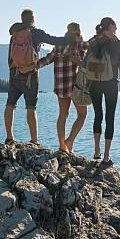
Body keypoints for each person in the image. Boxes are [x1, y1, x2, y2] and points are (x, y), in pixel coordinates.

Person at [5, 9, 68, 145]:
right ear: (33, 18)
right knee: (31, 107)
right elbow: (53, 40)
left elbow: (10, 56)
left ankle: (9, 138)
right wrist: (70, 38)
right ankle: (34, 141)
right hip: (31, 74)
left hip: (15, 73)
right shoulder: (36, 33)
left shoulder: (14, 34)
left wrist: (15, 70)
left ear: (22, 19)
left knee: (10, 105)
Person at [37, 22, 88, 153]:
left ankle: (62, 146)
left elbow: (47, 60)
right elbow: (85, 66)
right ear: (78, 32)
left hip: (61, 86)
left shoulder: (59, 45)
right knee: (82, 115)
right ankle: (70, 140)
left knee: (63, 115)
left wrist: (33, 66)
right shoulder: (79, 46)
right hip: (76, 87)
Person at [88, 17, 120, 166]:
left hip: (94, 83)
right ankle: (106, 156)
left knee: (98, 115)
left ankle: (96, 150)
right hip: (111, 84)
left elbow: (87, 61)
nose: (116, 27)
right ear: (111, 26)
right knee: (109, 117)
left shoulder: (95, 41)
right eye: (115, 25)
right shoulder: (118, 44)